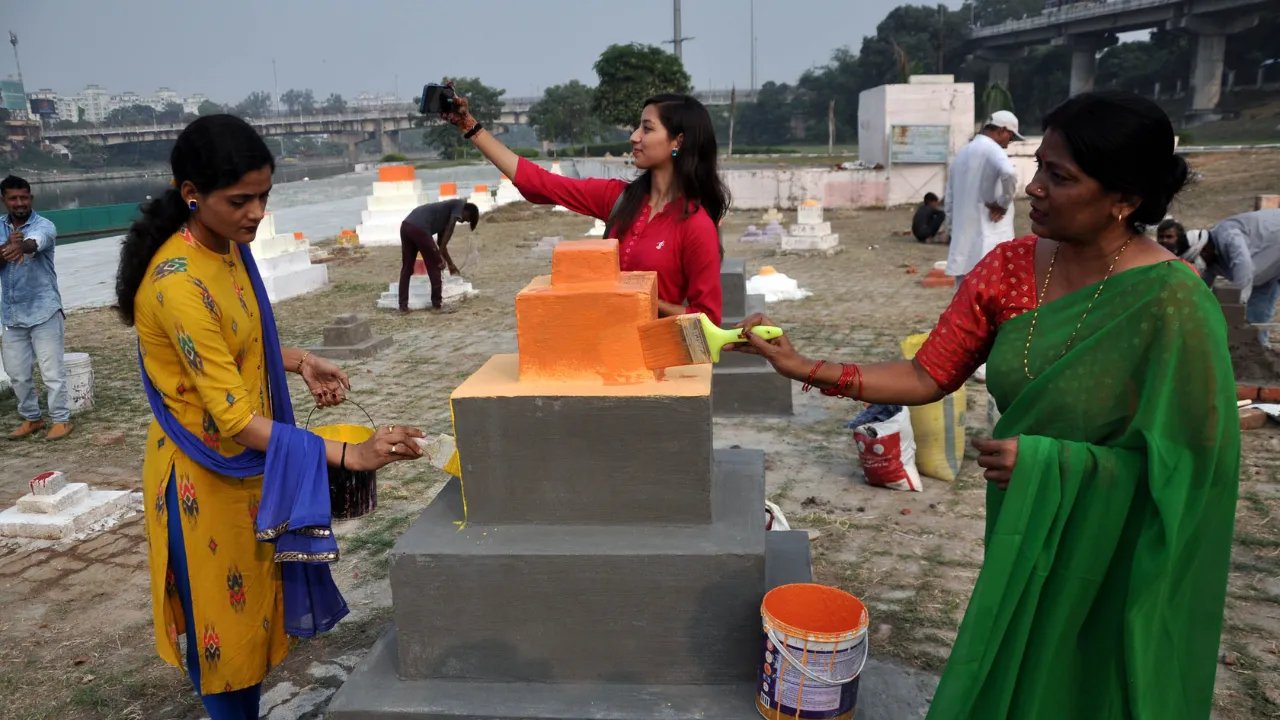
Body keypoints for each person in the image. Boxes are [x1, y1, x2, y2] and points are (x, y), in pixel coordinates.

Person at [731, 90, 1237, 720]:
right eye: (1037, 166)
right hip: (1027, 515)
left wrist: (1057, 464)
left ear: (1125, 200)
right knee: (1016, 662)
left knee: (1094, 680)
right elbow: (926, 373)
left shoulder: (1173, 302)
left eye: (1059, 176)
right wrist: (804, 366)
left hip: (1119, 544)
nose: (1033, 188)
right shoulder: (1011, 267)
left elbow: (1192, 470)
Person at [114, 114, 426, 719]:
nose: (256, 212)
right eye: (241, 200)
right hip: (203, 477)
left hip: (252, 466)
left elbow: (239, 343)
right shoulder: (176, 285)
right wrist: (352, 454)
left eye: (264, 195)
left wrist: (302, 360)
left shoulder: (227, 248)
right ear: (191, 195)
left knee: (252, 618)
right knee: (223, 637)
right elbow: (233, 417)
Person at [439, 85, 728, 325]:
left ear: (678, 141)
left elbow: (707, 319)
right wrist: (469, 126)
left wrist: (645, 296)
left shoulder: (696, 225)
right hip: (599, 350)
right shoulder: (618, 198)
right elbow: (540, 183)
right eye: (637, 127)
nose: (634, 137)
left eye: (647, 129)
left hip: (655, 369)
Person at [0, 175, 73, 441]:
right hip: (12, 315)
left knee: (52, 371)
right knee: (17, 374)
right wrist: (5, 249)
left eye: (24, 197)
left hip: (45, 311)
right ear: (4, 200)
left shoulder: (44, 225)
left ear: (31, 198)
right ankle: (33, 418)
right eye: (13, 198)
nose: (19, 203)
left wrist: (20, 245)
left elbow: (37, 241)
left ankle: (61, 420)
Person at [944, 110, 1022, 283]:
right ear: (1002, 131)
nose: (1010, 142)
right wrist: (1003, 204)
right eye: (1011, 137)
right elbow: (1009, 173)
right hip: (989, 240)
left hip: (964, 245)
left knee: (964, 301)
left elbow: (949, 201)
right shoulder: (992, 150)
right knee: (991, 297)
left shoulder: (962, 154)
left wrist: (953, 230)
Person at [1186, 208, 1280, 344]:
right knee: (1255, 321)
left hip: (1272, 244)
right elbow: (1203, 287)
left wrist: (1236, 306)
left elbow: (1244, 266)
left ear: (1205, 249)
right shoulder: (1211, 257)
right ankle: (1257, 355)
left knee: (1242, 312)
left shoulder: (1228, 236)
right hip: (1268, 266)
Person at [398, 199, 479, 315]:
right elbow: (450, 228)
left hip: (406, 226)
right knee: (436, 265)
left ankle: (403, 307)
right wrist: (439, 256)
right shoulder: (459, 204)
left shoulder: (443, 217)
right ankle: (437, 306)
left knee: (407, 268)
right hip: (419, 228)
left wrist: (450, 263)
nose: (461, 221)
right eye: (466, 218)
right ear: (466, 210)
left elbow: (442, 244)